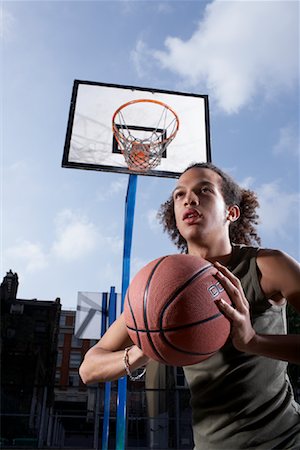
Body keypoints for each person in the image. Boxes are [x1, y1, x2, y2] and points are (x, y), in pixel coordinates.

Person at [79, 162, 300, 449]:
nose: (189, 199)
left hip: (285, 442)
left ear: (231, 212)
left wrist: (254, 341)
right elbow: (88, 369)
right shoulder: (162, 285)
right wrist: (144, 349)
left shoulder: (267, 265)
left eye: (204, 190)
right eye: (179, 195)